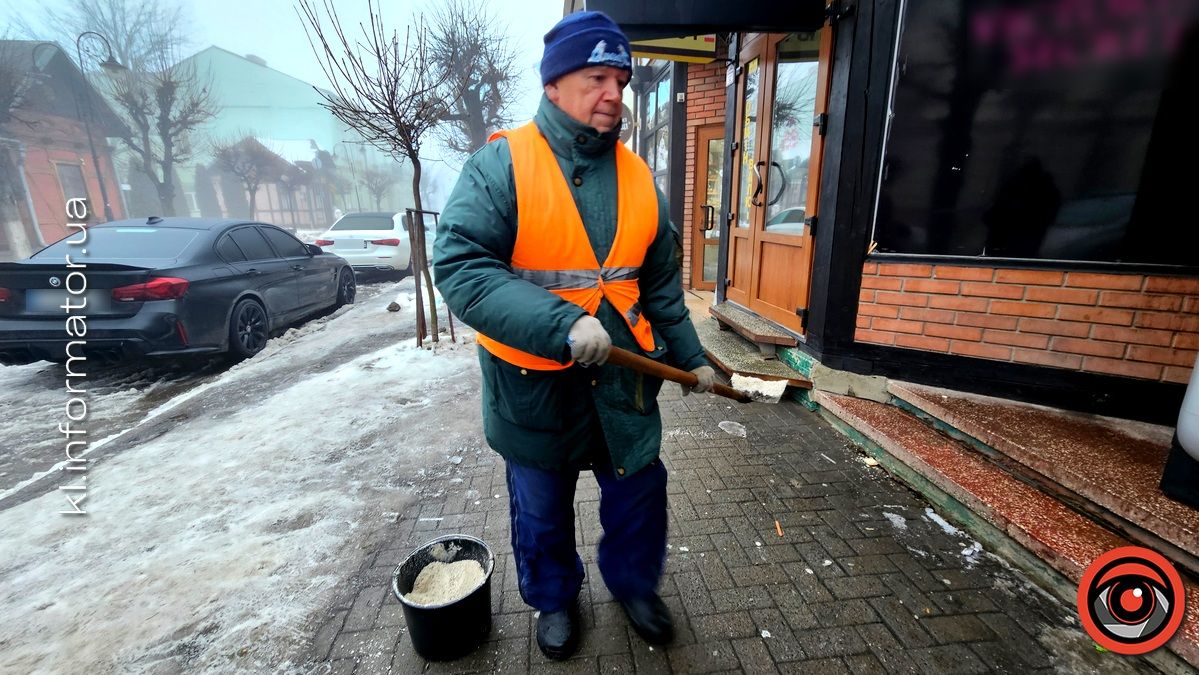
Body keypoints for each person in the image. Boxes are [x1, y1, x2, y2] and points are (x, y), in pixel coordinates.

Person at [433, 10, 716, 661]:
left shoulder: (643, 179)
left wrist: (693, 357)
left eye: (620, 78)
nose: (613, 92)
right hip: (534, 390)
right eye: (596, 77)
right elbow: (461, 267)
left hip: (624, 385)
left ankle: (634, 585)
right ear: (555, 84)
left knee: (640, 495)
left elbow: (661, 287)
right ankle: (555, 597)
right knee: (541, 512)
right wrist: (561, 322)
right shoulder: (500, 165)